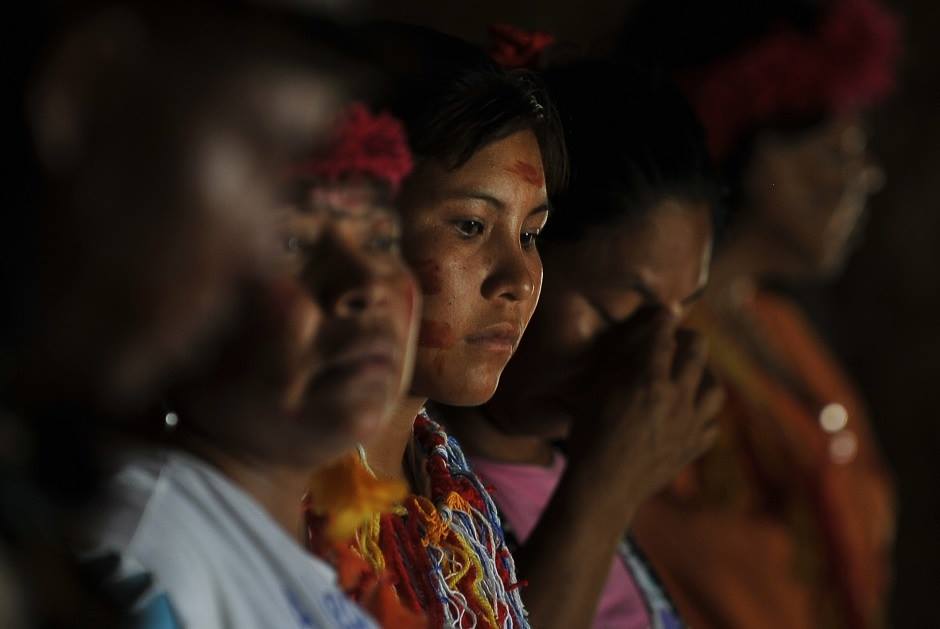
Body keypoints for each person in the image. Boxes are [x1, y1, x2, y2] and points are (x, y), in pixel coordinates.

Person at [59, 5, 418, 628]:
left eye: (383, 241)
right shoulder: (147, 550)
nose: (366, 285)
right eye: (291, 245)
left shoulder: (283, 560)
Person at [618, 1, 900, 627]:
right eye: (833, 153)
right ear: (740, 146)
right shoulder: (654, 345)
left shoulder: (778, 328)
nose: (863, 179)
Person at [442, 59, 724, 629]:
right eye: (615, 307)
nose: (654, 351)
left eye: (682, 310)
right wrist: (605, 490)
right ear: (525, 258)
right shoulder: (426, 492)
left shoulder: (561, 469)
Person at [307, 24, 566, 628]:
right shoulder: (282, 497)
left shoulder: (453, 496)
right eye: (470, 226)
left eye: (530, 236)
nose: (519, 279)